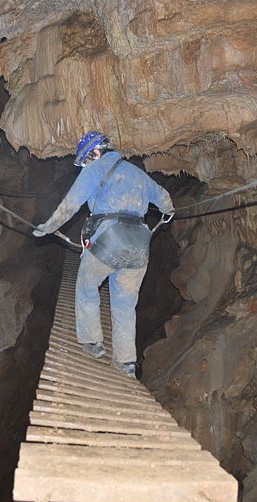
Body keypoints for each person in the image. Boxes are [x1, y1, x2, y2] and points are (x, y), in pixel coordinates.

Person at [33, 131, 174, 379]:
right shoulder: (139, 174)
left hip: (109, 239)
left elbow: (71, 203)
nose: (86, 165)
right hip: (140, 245)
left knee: (87, 287)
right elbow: (164, 200)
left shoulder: (95, 169)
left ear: (96, 152)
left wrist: (48, 227)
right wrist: (168, 211)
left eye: (87, 159)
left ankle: (93, 343)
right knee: (125, 304)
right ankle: (126, 362)